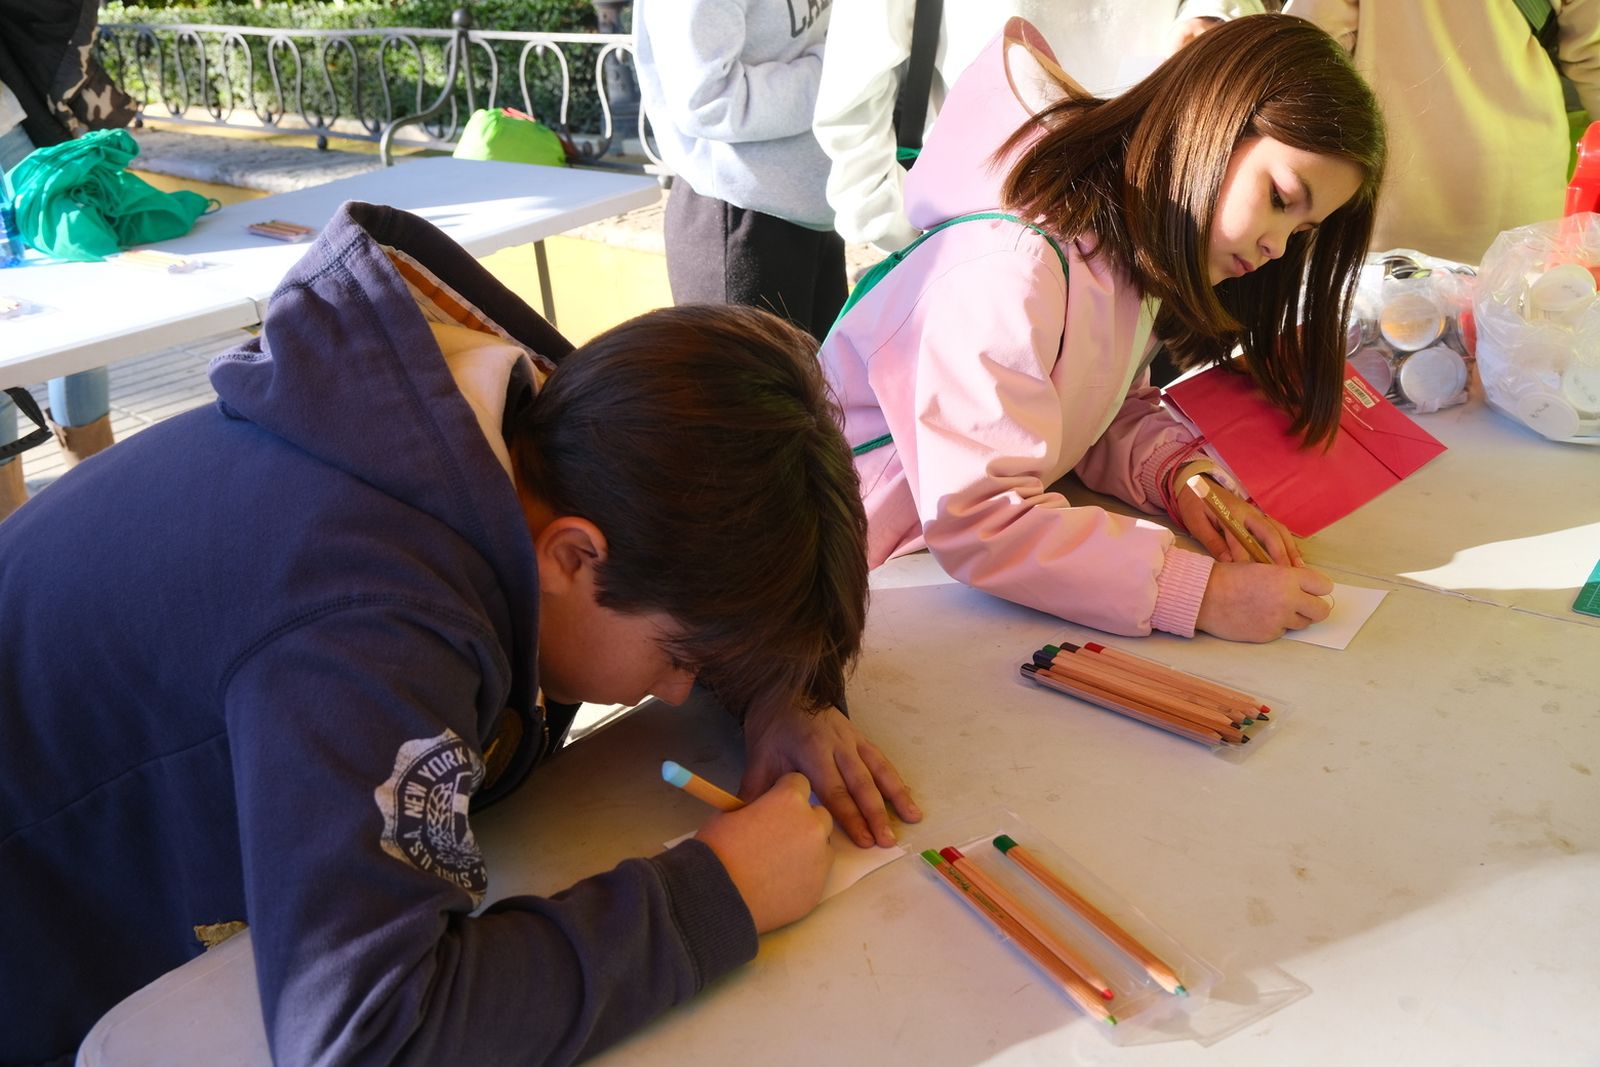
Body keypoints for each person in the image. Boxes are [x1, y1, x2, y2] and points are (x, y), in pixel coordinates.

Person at [0, 201, 920, 1066]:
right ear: (574, 555)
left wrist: (778, 694)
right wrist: (712, 897)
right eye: (684, 658)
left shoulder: (543, 434)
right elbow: (367, 1031)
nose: (681, 691)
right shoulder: (370, 622)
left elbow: (687, 559)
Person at [818, 15, 1387, 644]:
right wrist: (1202, 594)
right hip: (835, 584)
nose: (1277, 246)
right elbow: (980, 518)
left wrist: (1181, 477)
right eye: (1279, 198)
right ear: (1209, 118)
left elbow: (1088, 409)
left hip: (918, 590)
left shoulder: (1124, 249)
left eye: (1301, 233)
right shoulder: (1011, 265)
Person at [812, 0, 1268, 256]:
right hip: (983, 242)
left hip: (1153, 223)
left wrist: (1213, 15)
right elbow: (854, 91)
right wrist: (906, 233)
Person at [1282, 0, 1599, 265]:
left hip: (1387, 205)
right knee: (1513, 314)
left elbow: (1304, 48)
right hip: (1521, 202)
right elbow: (1593, 57)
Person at [633, 0, 846, 341]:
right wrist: (839, 71)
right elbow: (708, 101)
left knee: (825, 375)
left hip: (811, 205)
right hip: (738, 217)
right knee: (756, 376)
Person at [0, 0, 140, 519]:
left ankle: (92, 488)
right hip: (11, 132)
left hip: (9, 131)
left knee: (80, 283)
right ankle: (22, 515)